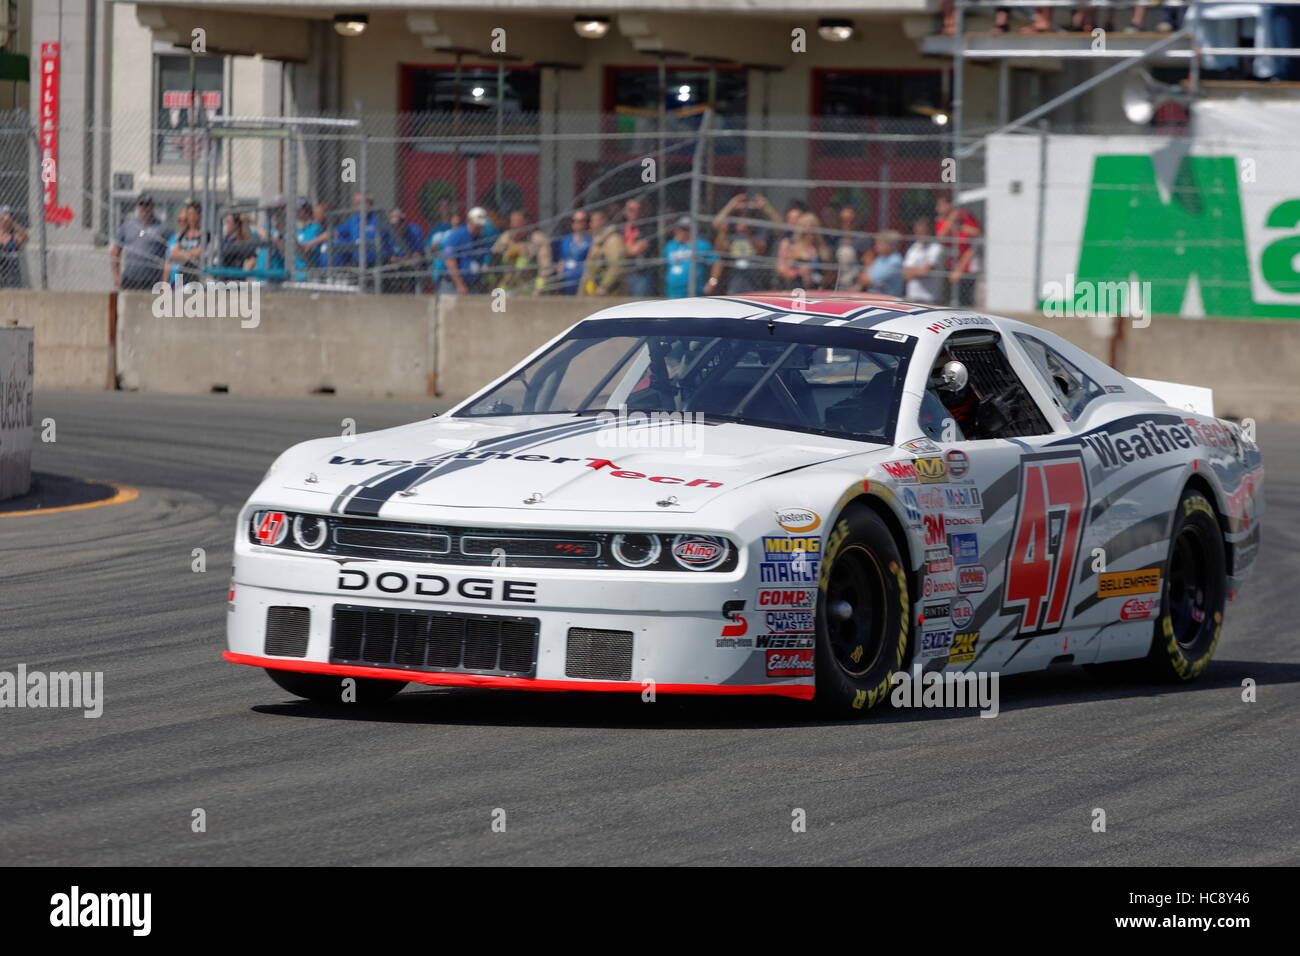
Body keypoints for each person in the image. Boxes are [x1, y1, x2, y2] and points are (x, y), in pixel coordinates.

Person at [712, 192, 778, 294]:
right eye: (741, 214)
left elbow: (762, 248)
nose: (744, 218)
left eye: (748, 215)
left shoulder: (760, 230)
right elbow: (717, 226)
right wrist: (732, 204)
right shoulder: (732, 231)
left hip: (758, 285)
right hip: (735, 285)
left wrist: (767, 207)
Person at [112, 193, 174, 290]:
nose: (144, 208)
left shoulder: (164, 228)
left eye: (147, 205)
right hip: (130, 279)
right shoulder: (128, 225)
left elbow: (170, 255)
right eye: (142, 204)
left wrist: (165, 281)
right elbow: (116, 251)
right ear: (137, 206)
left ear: (152, 206)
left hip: (153, 280)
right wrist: (116, 276)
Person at [935, 194, 982, 307]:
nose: (937, 209)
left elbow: (976, 233)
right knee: (948, 299)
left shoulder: (964, 217)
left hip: (967, 266)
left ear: (950, 206)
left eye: (941, 205)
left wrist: (959, 226)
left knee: (965, 300)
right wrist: (951, 220)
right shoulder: (941, 221)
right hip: (950, 264)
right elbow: (941, 238)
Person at [491, 209, 552, 294]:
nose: (513, 225)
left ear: (526, 223)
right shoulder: (506, 237)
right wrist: (507, 253)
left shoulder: (538, 239)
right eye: (512, 221)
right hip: (507, 282)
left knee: (524, 252)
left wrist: (538, 290)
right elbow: (494, 255)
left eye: (517, 222)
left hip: (528, 284)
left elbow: (545, 267)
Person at [332, 193, 394, 270]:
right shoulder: (353, 220)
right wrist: (312, 243)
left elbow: (391, 237)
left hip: (379, 262)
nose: (359, 206)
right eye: (356, 203)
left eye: (361, 202)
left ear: (370, 203)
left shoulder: (379, 219)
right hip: (358, 263)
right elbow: (334, 232)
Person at [441, 206, 495, 294]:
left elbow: (487, 255)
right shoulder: (457, 235)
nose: (478, 227)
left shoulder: (482, 238)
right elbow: (450, 261)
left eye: (480, 225)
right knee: (448, 307)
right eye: (476, 224)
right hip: (452, 284)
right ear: (469, 221)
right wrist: (460, 284)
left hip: (473, 284)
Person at [663, 216, 717, 299]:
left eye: (685, 229)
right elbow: (666, 266)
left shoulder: (702, 245)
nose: (680, 232)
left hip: (695, 294)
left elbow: (717, 263)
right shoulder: (670, 246)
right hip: (672, 294)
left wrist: (712, 283)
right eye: (679, 228)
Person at [776, 212, 829, 290]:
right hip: (796, 289)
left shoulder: (822, 249)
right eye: (806, 229)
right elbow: (781, 270)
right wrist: (797, 273)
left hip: (816, 290)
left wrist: (822, 279)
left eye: (812, 228)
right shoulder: (793, 248)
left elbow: (828, 274)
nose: (809, 232)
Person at [581, 208, 626, 296]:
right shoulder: (596, 240)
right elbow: (589, 267)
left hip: (611, 291)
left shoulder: (614, 240)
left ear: (603, 221)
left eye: (593, 221)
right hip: (592, 288)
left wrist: (604, 287)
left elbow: (616, 266)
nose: (590, 224)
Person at [902, 217, 945, 304]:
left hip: (930, 299)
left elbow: (926, 271)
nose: (920, 234)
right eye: (917, 231)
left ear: (929, 231)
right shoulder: (913, 248)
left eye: (923, 231)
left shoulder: (937, 248)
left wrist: (914, 271)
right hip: (912, 298)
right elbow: (906, 274)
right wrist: (919, 270)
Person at [619, 197, 656, 298]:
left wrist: (620, 249)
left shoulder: (649, 229)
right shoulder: (620, 229)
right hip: (621, 274)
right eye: (631, 210)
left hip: (640, 274)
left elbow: (636, 250)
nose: (635, 213)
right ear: (625, 212)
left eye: (638, 210)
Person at [163, 200, 206, 285]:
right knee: (175, 296)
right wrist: (191, 254)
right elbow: (172, 254)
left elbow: (200, 253)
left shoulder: (205, 235)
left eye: (194, 214)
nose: (192, 218)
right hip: (180, 276)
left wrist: (181, 254)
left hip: (197, 277)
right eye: (189, 215)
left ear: (199, 215)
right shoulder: (182, 235)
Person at [385, 207, 424, 293]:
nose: (397, 227)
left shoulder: (414, 230)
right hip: (394, 268)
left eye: (399, 224)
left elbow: (417, 255)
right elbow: (390, 257)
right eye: (394, 225)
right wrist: (403, 259)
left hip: (411, 268)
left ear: (405, 221)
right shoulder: (388, 233)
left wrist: (401, 260)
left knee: (414, 267)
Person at [555, 209, 593, 295]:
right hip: (565, 282)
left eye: (582, 221)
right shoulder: (566, 240)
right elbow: (562, 259)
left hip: (582, 282)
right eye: (575, 221)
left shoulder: (591, 240)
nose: (578, 223)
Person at [832, 205, 870, 291]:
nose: (847, 224)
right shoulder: (837, 239)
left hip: (853, 287)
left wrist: (858, 286)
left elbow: (869, 266)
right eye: (843, 221)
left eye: (850, 221)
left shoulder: (862, 239)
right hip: (838, 285)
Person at [861, 230, 904, 297]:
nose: (875, 246)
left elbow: (869, 280)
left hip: (888, 301)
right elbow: (863, 279)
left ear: (889, 245)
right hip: (873, 296)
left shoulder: (895, 261)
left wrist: (870, 280)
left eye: (879, 244)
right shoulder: (880, 258)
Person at [0, 205, 29, 289]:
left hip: (11, 276)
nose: (7, 217)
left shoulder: (13, 235)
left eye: (10, 215)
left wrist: (13, 223)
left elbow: (25, 238)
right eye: (4, 214)